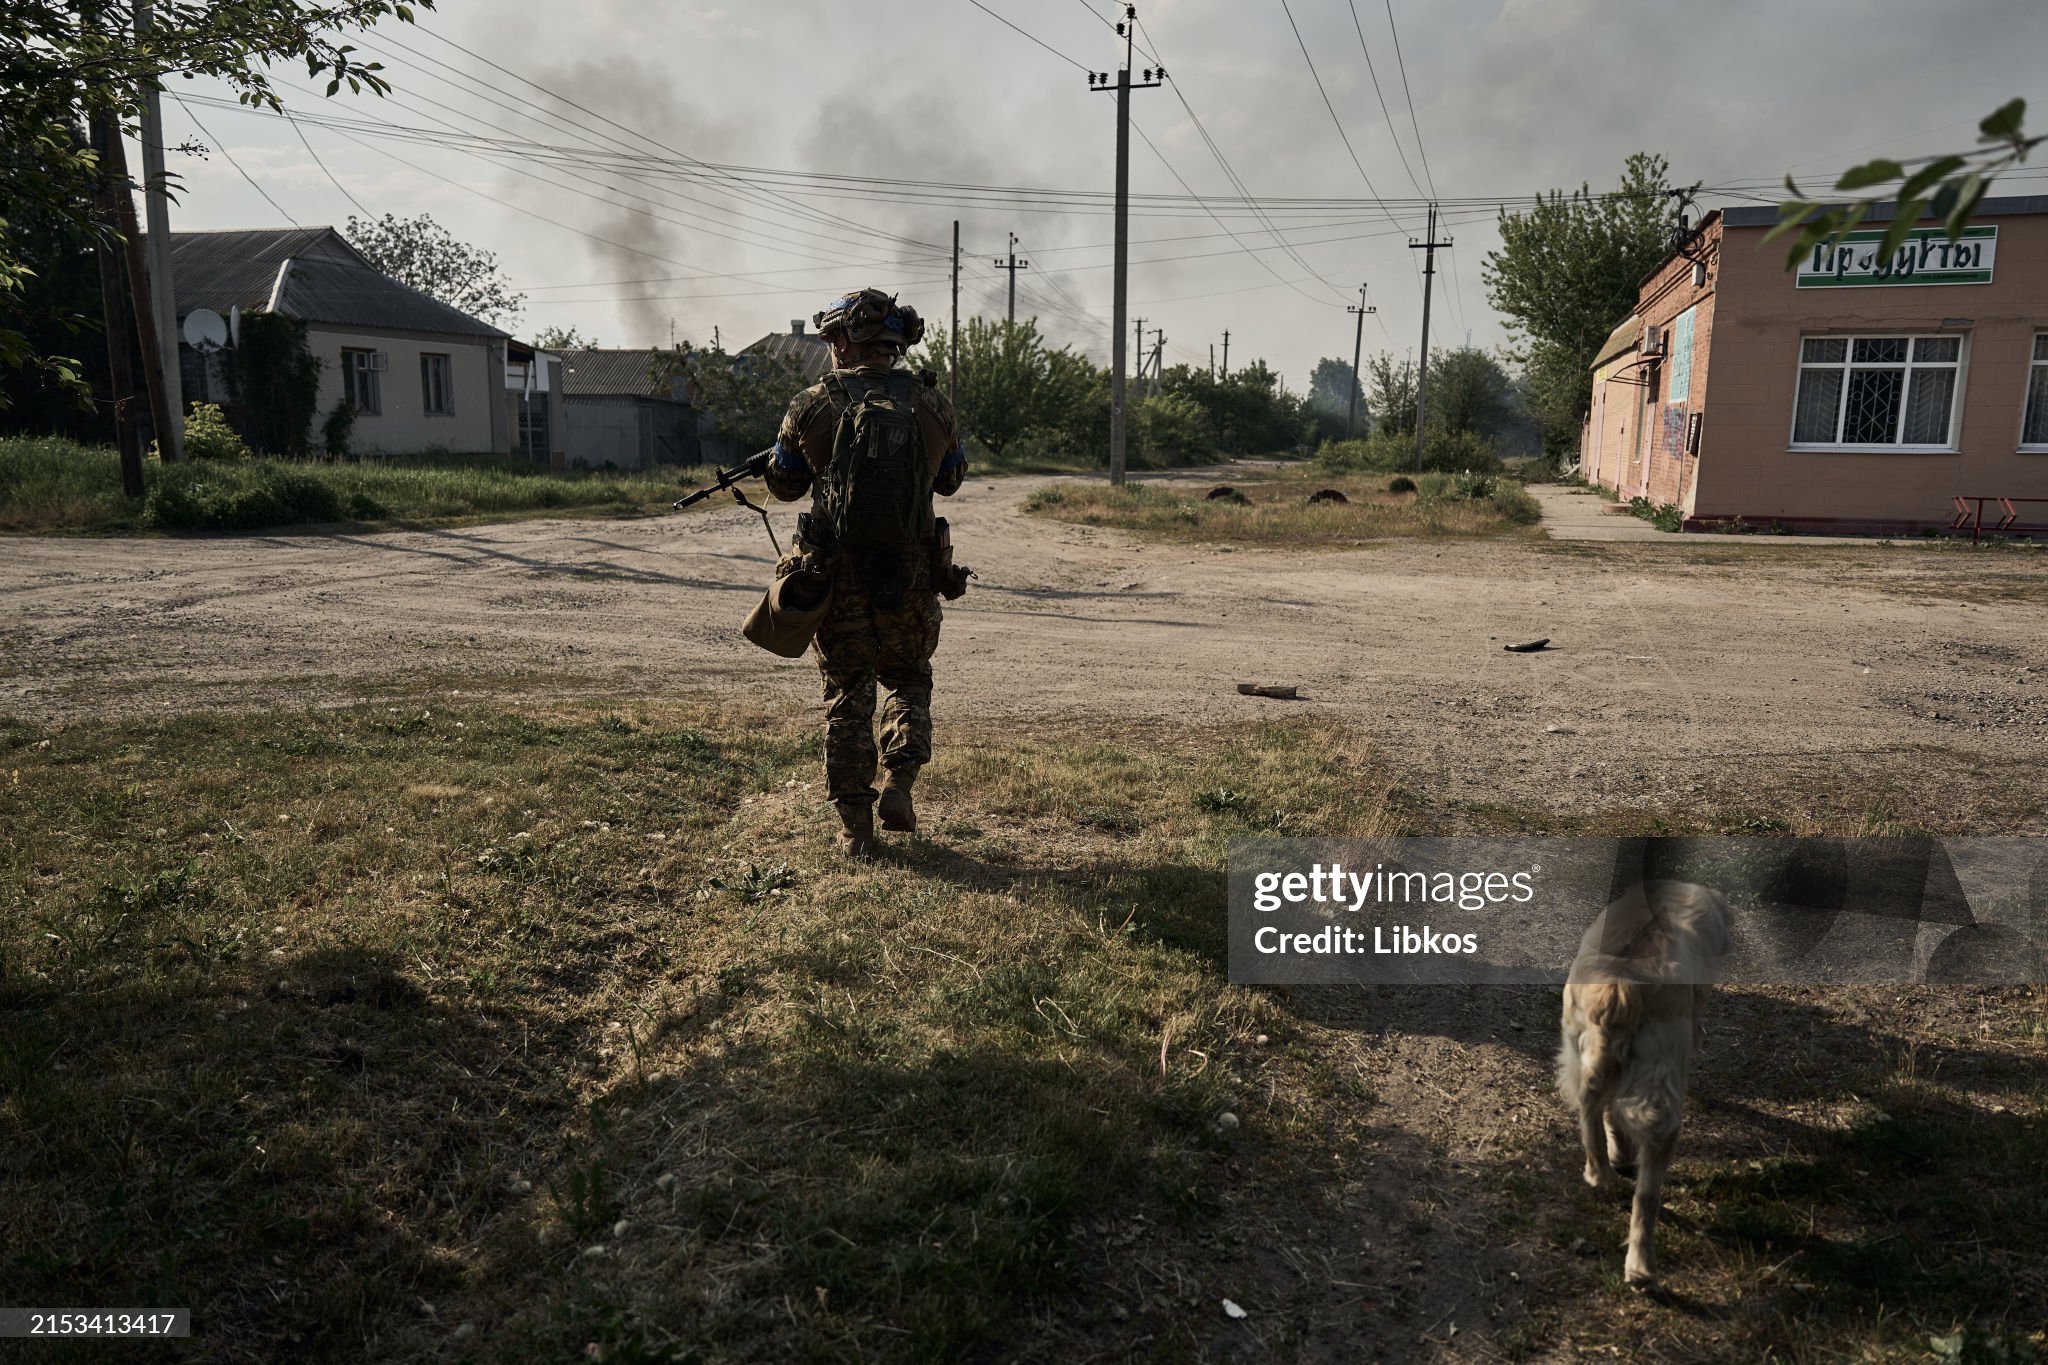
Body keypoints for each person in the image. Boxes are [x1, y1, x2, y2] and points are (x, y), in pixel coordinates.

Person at [764, 287, 967, 856]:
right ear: (896, 345)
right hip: (911, 573)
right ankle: (900, 782)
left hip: (838, 575)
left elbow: (784, 486)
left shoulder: (810, 403)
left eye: (831, 341)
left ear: (845, 341)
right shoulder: (933, 404)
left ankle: (855, 829)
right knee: (908, 678)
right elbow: (950, 480)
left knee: (848, 694)